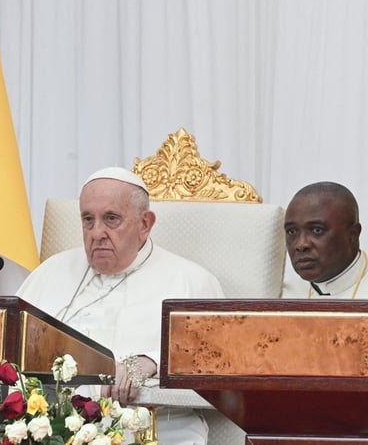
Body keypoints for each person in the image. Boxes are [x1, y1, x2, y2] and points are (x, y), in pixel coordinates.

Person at [17, 167, 224, 445]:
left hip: (155, 431)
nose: (97, 232)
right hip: (50, 430)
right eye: (88, 220)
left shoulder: (191, 281)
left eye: (111, 219)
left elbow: (217, 360)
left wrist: (152, 360)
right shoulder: (50, 272)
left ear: (145, 224)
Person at [280, 181, 368, 299]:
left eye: (317, 230)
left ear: (353, 235)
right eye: (292, 231)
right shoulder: (279, 297)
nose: (301, 245)